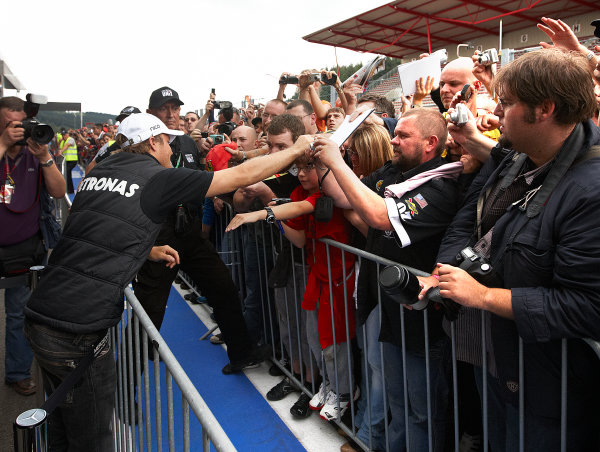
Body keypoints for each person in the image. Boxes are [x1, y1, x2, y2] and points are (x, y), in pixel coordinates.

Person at [24, 112, 310, 450]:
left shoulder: (98, 172)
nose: (172, 147)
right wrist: (296, 150)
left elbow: (90, 230)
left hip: (42, 312)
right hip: (77, 327)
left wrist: (148, 249)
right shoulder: (158, 177)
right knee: (92, 437)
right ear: (153, 142)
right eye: (166, 140)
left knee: (60, 427)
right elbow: (241, 175)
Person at [424, 48, 600, 452]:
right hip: (497, 355)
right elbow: (468, 217)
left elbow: (589, 306)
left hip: (547, 383)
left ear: (544, 109)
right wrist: (446, 270)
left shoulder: (591, 191)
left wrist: (484, 295)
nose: (497, 114)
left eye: (506, 104)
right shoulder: (517, 153)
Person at [310, 108, 461, 452]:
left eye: (403, 135)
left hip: (425, 317)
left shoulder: (440, 184)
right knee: (396, 402)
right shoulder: (392, 171)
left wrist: (336, 159)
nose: (392, 139)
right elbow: (345, 195)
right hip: (391, 307)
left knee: (423, 410)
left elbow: (379, 216)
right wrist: (324, 159)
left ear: (430, 143)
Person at [1, 96, 66, 396]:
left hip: (25, 248)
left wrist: (44, 158)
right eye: (9, 125)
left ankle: (17, 372)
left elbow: (58, 191)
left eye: (20, 125)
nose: (17, 131)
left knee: (19, 313)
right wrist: (2, 144)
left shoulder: (34, 152)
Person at [57, 129, 79, 193]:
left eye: (64, 135)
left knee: (67, 173)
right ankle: (69, 189)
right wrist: (60, 142)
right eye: (62, 135)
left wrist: (61, 151)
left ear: (67, 134)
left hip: (72, 160)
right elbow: (59, 147)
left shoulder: (71, 139)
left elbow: (66, 146)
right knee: (67, 174)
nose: (63, 136)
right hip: (66, 160)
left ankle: (70, 189)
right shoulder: (63, 141)